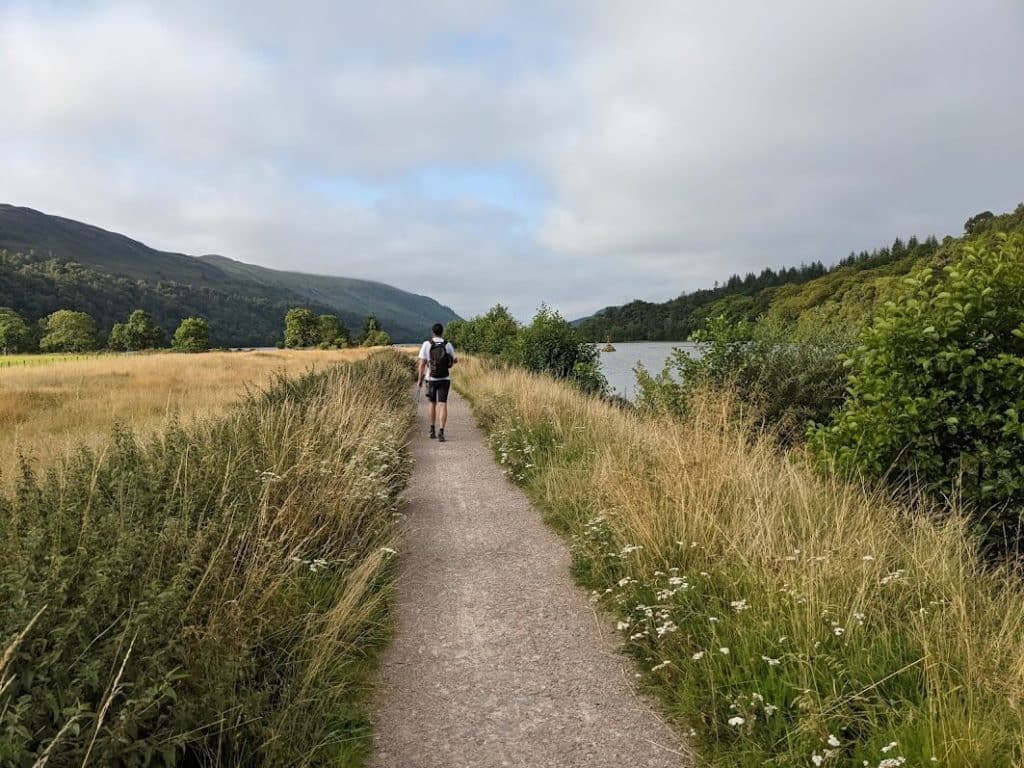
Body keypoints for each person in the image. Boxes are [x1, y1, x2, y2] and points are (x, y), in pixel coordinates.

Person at [417, 323, 457, 442]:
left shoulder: (427, 344)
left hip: (431, 379)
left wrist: (419, 380)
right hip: (445, 379)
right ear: (442, 332)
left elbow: (422, 364)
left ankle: (432, 430)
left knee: (432, 403)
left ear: (432, 332)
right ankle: (441, 432)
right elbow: (454, 360)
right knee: (443, 404)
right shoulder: (447, 344)